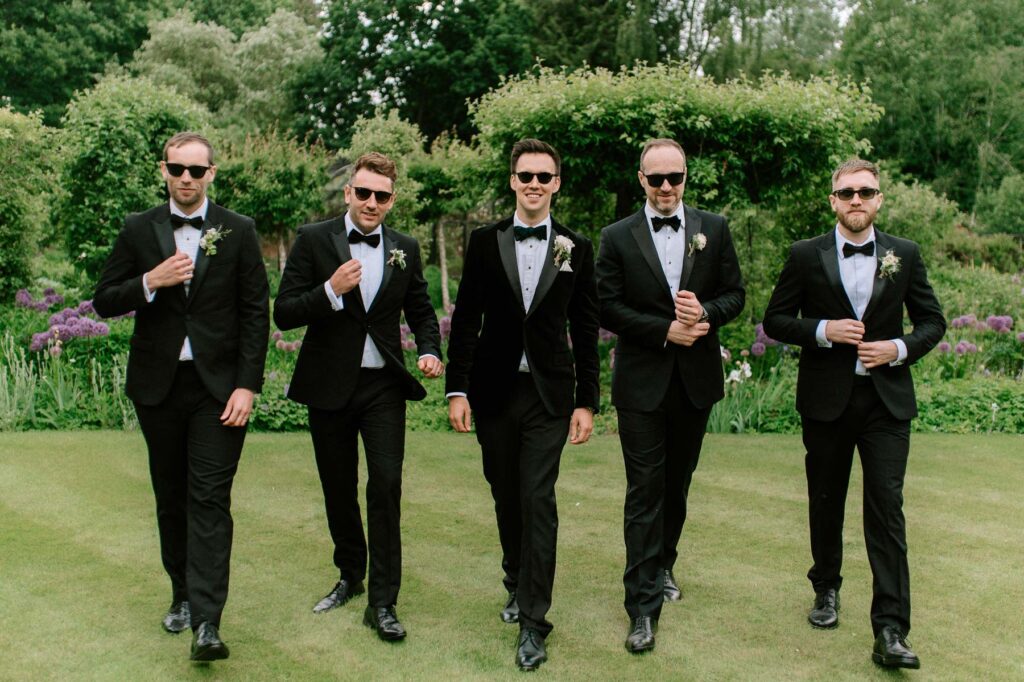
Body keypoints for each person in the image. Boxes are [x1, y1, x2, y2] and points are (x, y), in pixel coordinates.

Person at [93, 131, 270, 662]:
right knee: (171, 497)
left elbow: (255, 312)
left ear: (212, 173)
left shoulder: (239, 230)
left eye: (196, 170)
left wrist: (247, 384)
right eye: (177, 169)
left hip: (219, 391)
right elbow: (104, 300)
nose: (186, 178)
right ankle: (182, 597)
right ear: (164, 170)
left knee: (210, 499)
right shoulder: (137, 229)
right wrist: (151, 279)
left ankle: (208, 624)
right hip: (159, 387)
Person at [763, 159, 945, 670]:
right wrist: (823, 331)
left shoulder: (903, 254)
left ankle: (890, 629)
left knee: (886, 508)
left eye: (866, 192)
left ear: (879, 198)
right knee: (825, 500)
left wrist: (897, 348)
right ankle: (826, 588)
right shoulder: (805, 255)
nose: (857, 200)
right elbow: (775, 319)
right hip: (826, 402)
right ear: (833, 201)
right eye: (847, 193)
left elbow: (933, 321)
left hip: (886, 403)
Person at [274, 152, 442, 642]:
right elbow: (284, 312)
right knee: (338, 487)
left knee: (386, 485)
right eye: (363, 192)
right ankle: (350, 573)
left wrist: (429, 349)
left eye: (382, 195)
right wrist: (329, 289)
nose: (372, 202)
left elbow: (422, 310)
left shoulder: (405, 248)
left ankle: (383, 603)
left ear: (392, 200)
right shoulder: (312, 240)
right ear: (348, 192)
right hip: (328, 384)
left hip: (383, 386)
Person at [446, 138, 600, 671]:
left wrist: (587, 402)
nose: (534, 184)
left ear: (556, 183)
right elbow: (466, 318)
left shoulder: (577, 248)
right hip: (493, 392)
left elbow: (585, 329)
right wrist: (457, 388)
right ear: (513, 181)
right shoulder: (485, 242)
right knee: (506, 494)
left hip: (548, 395)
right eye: (525, 175)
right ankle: (515, 575)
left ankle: (535, 622)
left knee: (539, 499)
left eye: (544, 176)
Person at [595, 138, 744, 653]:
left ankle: (664, 565)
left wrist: (704, 315)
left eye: (673, 178)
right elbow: (606, 307)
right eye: (655, 178)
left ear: (685, 178)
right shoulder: (616, 237)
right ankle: (641, 608)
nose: (665, 188)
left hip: (694, 383)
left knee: (676, 487)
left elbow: (735, 295)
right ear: (641, 179)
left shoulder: (715, 229)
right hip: (641, 384)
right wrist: (664, 330)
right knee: (644, 491)